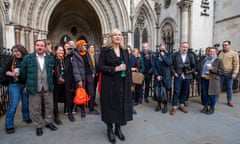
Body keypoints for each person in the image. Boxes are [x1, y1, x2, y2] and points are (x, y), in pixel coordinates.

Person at [98, 28, 133, 143]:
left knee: (120, 106)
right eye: (115, 35)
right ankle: (109, 129)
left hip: (122, 84)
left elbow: (128, 66)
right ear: (111, 37)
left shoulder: (124, 51)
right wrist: (115, 69)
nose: (118, 37)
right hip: (109, 85)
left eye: (119, 35)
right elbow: (100, 67)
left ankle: (118, 128)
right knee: (109, 107)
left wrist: (129, 80)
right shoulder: (105, 50)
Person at [21, 39, 57, 136]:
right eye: (37, 45)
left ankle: (48, 122)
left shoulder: (50, 58)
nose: (39, 47)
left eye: (41, 45)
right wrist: (29, 82)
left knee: (49, 106)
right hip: (34, 87)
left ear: (45, 47)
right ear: (35, 46)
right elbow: (23, 72)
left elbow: (52, 71)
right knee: (35, 108)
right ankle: (38, 126)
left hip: (47, 86)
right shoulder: (28, 58)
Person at [3, 44, 31, 134]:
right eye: (14, 51)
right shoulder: (11, 60)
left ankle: (26, 117)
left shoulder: (27, 59)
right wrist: (12, 74)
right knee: (14, 104)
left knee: (26, 102)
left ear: (22, 50)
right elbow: (4, 71)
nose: (15, 53)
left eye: (17, 51)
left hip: (25, 84)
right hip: (14, 84)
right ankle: (9, 125)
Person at [72, 40, 99, 119]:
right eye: (84, 45)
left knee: (91, 93)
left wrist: (93, 72)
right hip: (81, 78)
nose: (85, 47)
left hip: (89, 76)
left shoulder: (87, 54)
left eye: (86, 46)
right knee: (82, 94)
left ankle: (91, 109)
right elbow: (75, 69)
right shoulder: (75, 55)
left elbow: (91, 64)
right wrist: (78, 80)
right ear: (80, 46)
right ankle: (83, 110)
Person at [170, 42, 195, 115]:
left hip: (187, 77)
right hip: (178, 76)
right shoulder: (175, 55)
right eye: (183, 47)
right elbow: (171, 66)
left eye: (186, 47)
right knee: (176, 92)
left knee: (184, 92)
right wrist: (174, 73)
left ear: (188, 48)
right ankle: (174, 107)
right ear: (180, 47)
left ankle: (182, 105)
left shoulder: (191, 55)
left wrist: (189, 71)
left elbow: (194, 67)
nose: (184, 48)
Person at [200, 47, 224, 114]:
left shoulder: (219, 60)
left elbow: (222, 71)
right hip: (204, 79)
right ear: (208, 52)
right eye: (210, 51)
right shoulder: (205, 60)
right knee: (205, 94)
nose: (212, 53)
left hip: (213, 80)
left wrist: (212, 68)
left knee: (212, 95)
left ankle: (212, 107)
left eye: (213, 51)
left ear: (216, 52)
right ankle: (205, 107)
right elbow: (201, 68)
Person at [218, 40, 239, 107]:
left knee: (229, 87)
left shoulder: (234, 53)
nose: (224, 46)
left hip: (229, 73)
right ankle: (215, 99)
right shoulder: (220, 53)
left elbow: (236, 64)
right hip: (220, 73)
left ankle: (229, 101)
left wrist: (235, 73)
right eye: (223, 45)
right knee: (218, 87)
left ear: (229, 45)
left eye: (226, 45)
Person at [152, 45, 172, 113]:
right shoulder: (156, 56)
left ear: (165, 49)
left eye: (163, 48)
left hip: (165, 77)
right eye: (161, 49)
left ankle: (165, 106)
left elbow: (169, 63)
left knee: (164, 92)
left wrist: (163, 56)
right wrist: (157, 75)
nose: (162, 50)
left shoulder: (168, 55)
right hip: (158, 77)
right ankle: (159, 105)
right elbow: (154, 66)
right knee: (158, 92)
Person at [53, 45, 66, 125]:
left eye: (62, 50)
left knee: (63, 97)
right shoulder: (54, 60)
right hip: (56, 82)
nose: (62, 52)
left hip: (63, 81)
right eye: (60, 50)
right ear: (56, 51)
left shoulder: (63, 60)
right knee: (55, 99)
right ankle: (56, 116)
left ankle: (67, 111)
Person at [64, 42, 75, 121]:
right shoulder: (62, 57)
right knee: (67, 95)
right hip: (65, 79)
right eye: (66, 48)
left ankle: (71, 108)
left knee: (73, 94)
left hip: (73, 78)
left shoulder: (73, 56)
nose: (68, 49)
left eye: (69, 48)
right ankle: (69, 111)